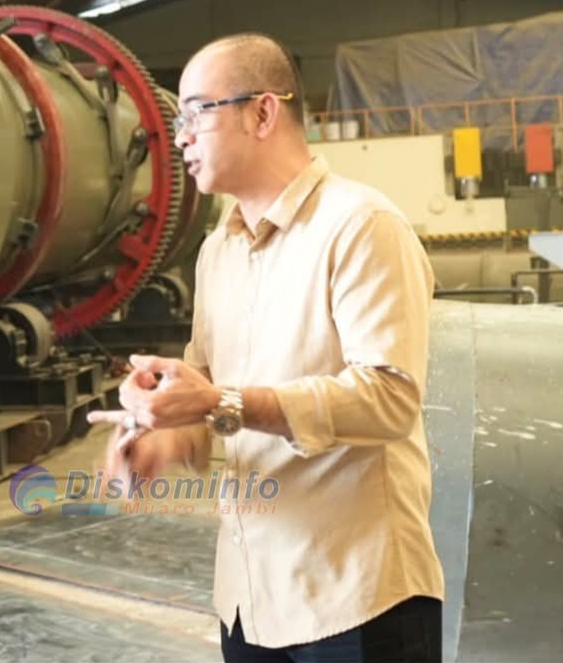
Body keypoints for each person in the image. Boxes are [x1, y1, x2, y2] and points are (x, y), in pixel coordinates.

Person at [90, 33, 445, 662]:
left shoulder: (361, 227)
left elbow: (390, 400)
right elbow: (209, 402)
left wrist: (221, 402)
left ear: (261, 112)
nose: (180, 139)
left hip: (357, 597)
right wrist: (158, 436)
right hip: (250, 599)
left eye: (196, 113)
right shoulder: (217, 251)